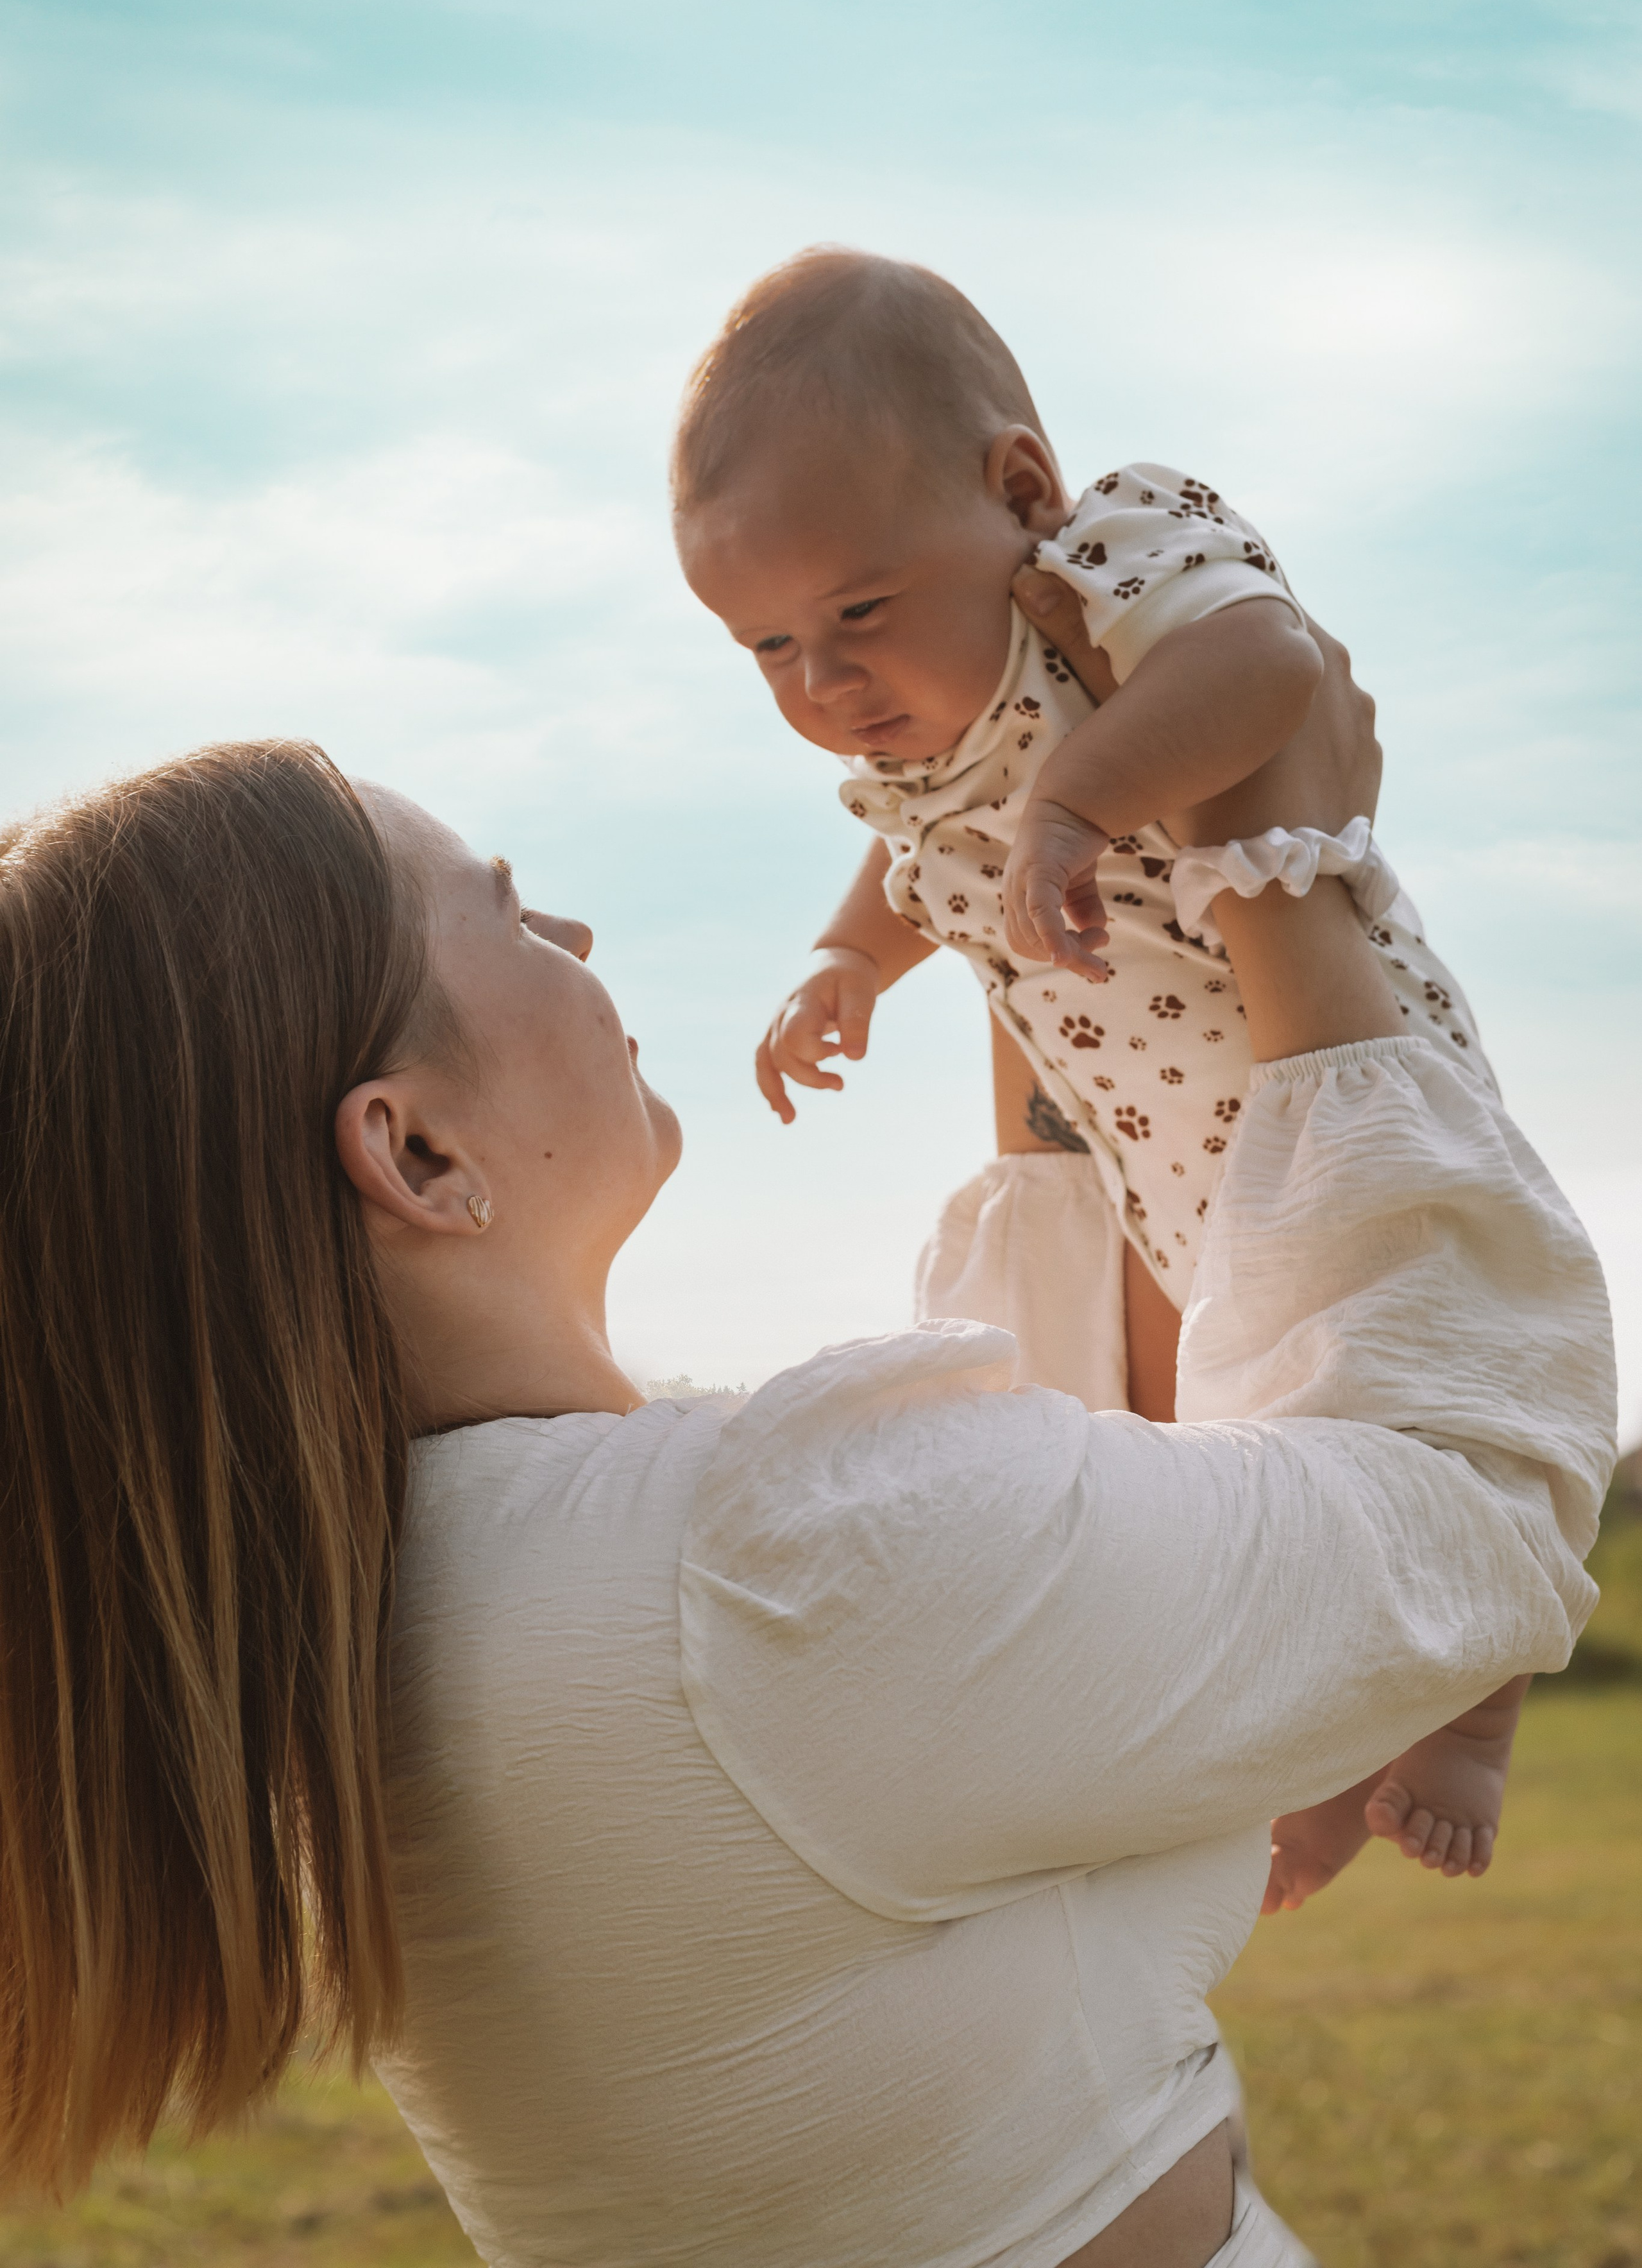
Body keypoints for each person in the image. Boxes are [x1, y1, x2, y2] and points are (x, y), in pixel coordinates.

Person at [0, 728, 1613, 2267]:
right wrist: (1278, 866)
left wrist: (1029, 912)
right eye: (505, 911)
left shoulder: (366, 1630)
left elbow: (1040, 1522)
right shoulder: (756, 1566)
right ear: (417, 1154)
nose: (572, 932)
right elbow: (1467, 1496)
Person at [672, 246, 1523, 1911]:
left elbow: (1268, 669)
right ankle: (1316, 1758)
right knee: (1238, 1459)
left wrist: (1078, 800)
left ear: (1019, 492)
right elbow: (914, 861)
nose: (824, 684)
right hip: (1167, 1169)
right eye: (766, 645)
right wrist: (846, 961)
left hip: (1337, 1086)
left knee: (1422, 1375)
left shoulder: (1115, 551)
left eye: (857, 612)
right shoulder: (930, 753)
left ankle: (1470, 1711)